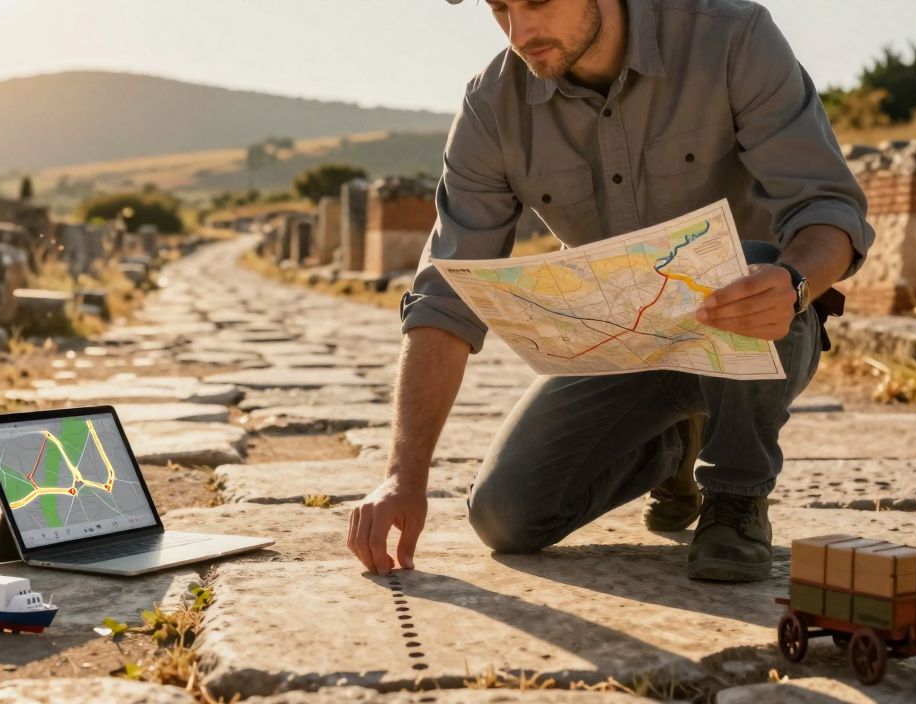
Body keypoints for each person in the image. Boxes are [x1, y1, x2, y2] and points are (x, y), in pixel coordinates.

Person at [345, 0, 873, 582]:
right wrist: (403, 476)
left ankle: (735, 495)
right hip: (618, 338)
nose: (520, 33)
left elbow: (828, 209)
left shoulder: (733, 38)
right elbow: (445, 296)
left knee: (739, 261)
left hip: (759, 323)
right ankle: (672, 445)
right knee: (507, 518)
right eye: (500, 8)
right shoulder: (491, 107)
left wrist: (795, 283)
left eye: (538, 2)